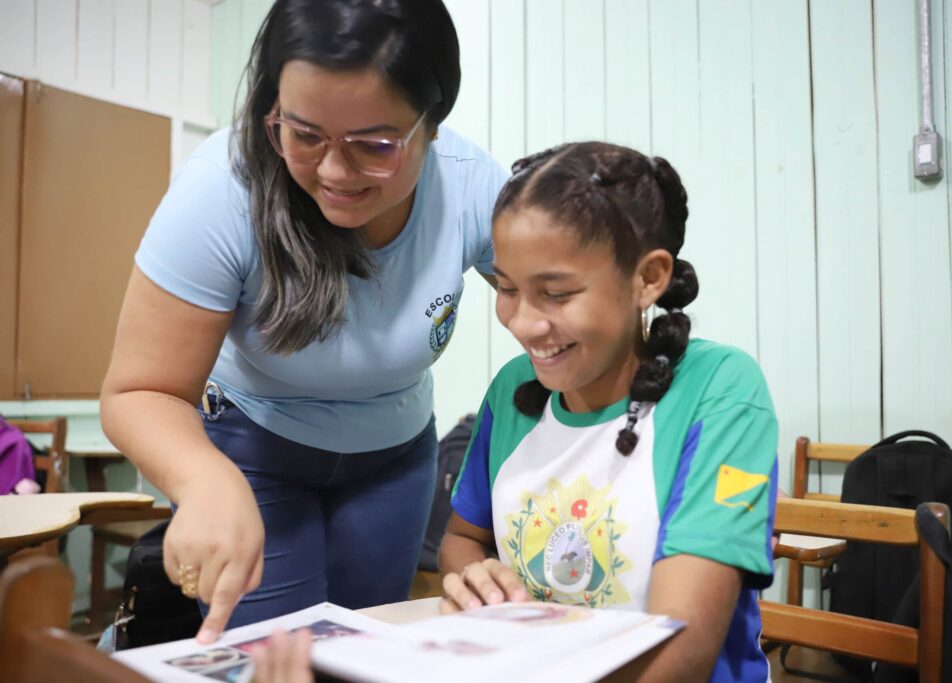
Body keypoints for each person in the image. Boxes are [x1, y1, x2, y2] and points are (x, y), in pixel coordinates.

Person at [100, 0, 506, 644]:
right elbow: (139, 390)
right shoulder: (221, 189)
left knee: (363, 649)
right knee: (274, 656)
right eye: (305, 135)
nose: (336, 172)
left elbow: (561, 300)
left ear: (433, 125)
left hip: (394, 458)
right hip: (249, 454)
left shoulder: (472, 187)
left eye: (375, 145)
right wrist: (202, 482)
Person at [438, 142, 780, 682]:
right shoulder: (513, 390)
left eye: (556, 293)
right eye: (506, 288)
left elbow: (681, 651)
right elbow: (463, 538)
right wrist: (476, 578)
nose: (523, 324)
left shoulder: (720, 390)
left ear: (648, 279)